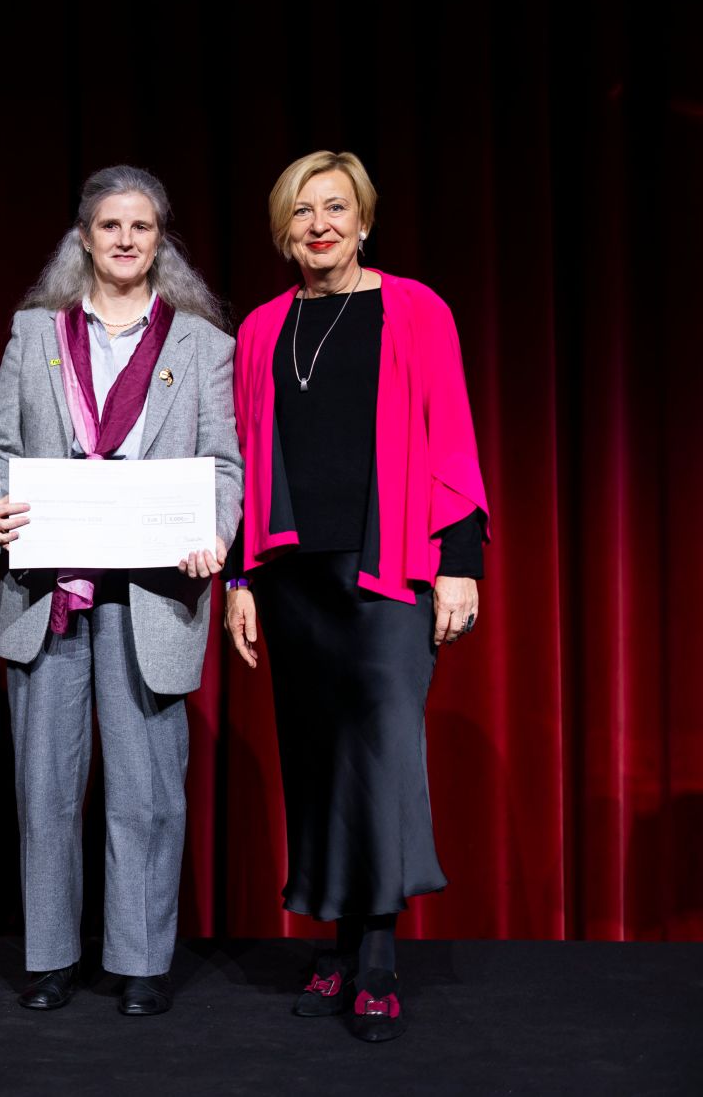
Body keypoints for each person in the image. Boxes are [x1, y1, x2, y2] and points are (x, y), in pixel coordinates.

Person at [223, 150, 488, 1043]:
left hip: (390, 572)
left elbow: (451, 434)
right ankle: (333, 944)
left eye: (335, 207)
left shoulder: (416, 309)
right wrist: (240, 577)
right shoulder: (261, 328)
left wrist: (460, 561)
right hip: (291, 577)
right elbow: (246, 462)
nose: (319, 224)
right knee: (315, 760)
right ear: (283, 230)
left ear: (364, 218)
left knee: (378, 757)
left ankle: (375, 954)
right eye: (303, 212)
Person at [0, 166, 242, 1017]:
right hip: (48, 592)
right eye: (110, 225)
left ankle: (141, 960)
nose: (126, 240)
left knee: (148, 788)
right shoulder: (34, 331)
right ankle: (50, 956)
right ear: (82, 236)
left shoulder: (203, 346)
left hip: (154, 596)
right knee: (45, 787)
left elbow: (226, 467)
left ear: (162, 241)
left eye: (144, 227)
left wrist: (216, 533)